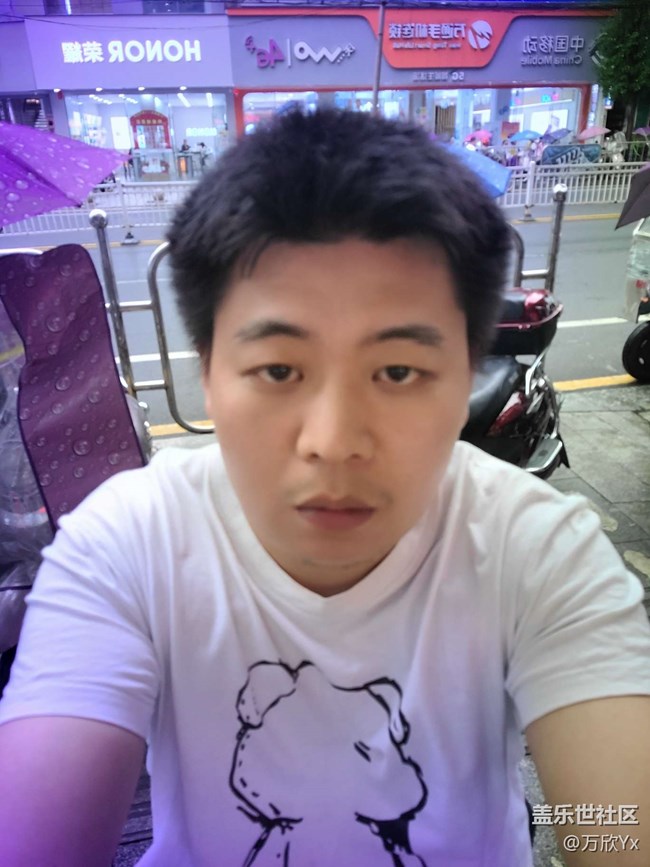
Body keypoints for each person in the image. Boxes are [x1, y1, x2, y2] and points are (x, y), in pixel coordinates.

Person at [0, 109, 648, 867]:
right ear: (207, 373)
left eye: (398, 371)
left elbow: (617, 825)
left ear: (468, 377)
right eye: (279, 369)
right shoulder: (125, 548)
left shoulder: (539, 553)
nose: (334, 441)